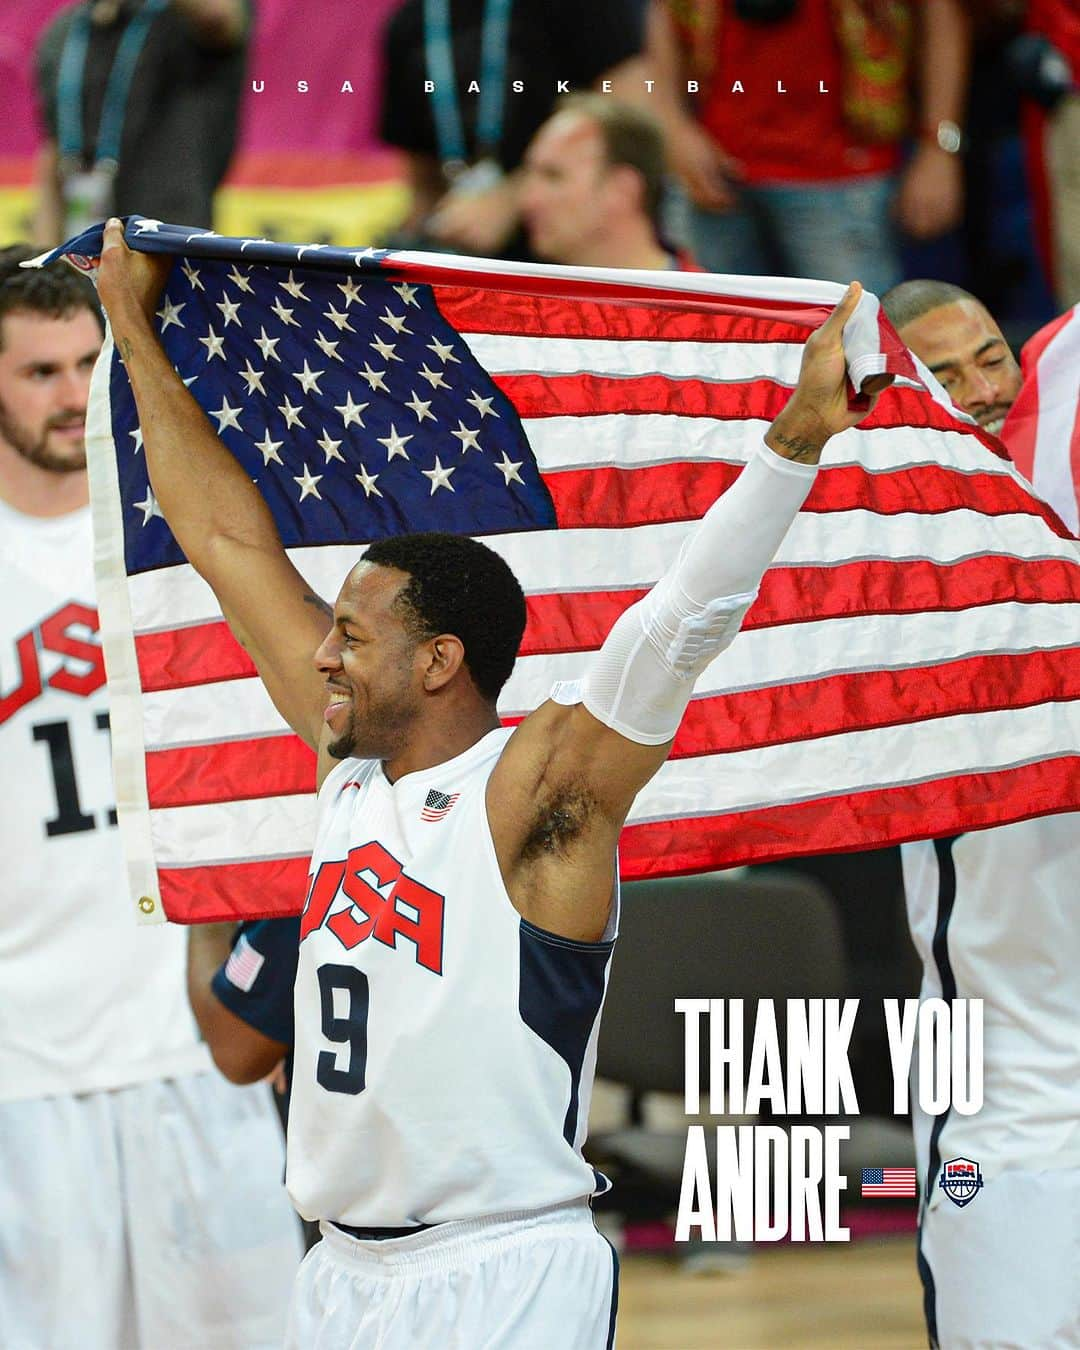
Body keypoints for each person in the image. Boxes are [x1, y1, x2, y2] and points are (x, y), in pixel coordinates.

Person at [95, 218, 889, 1345]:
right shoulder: (348, 767)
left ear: (438, 661)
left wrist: (798, 432)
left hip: (502, 1268)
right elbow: (224, 541)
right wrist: (129, 321)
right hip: (339, 1274)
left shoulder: (535, 795)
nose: (322, 654)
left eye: (353, 638)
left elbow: (677, 627)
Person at [0, 245, 304, 1350]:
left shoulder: (180, 538)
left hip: (193, 1044)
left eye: (89, 363)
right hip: (24, 1062)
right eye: (39, 372)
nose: (72, 395)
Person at [880, 277, 1080, 1350]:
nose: (982, 390)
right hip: (1002, 1109)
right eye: (943, 375)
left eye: (992, 358)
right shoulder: (904, 581)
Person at [647, 0, 971, 294]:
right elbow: (661, 10)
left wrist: (938, 147)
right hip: (713, 165)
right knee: (710, 346)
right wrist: (673, 125)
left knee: (853, 347)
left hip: (844, 171)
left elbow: (940, 11)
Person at [378, 0, 647, 258]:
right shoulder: (410, 22)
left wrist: (512, 198)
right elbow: (424, 186)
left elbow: (634, 127)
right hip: (471, 263)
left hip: (581, 261)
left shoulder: (584, 7)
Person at [33, 0, 248, 246]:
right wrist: (46, 260)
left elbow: (218, 16)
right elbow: (54, 151)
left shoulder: (180, 19)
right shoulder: (65, 33)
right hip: (84, 243)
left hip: (167, 244)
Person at [519, 94, 699, 270]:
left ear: (622, 191)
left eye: (554, 176)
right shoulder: (525, 297)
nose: (529, 201)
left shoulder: (702, 299)